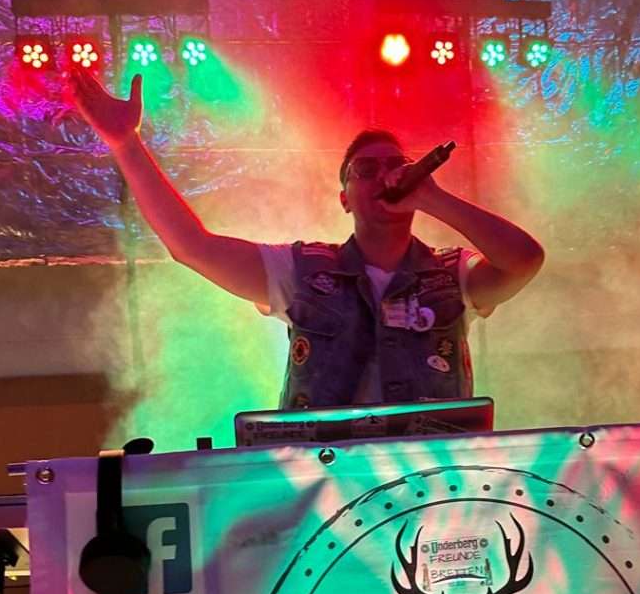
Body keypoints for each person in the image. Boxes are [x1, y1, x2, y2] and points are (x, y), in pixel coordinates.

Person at [70, 70, 544, 408]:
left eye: (395, 166)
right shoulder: (303, 271)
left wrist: (434, 198)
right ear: (344, 199)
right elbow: (192, 246)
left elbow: (525, 261)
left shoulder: (450, 272)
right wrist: (126, 144)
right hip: (325, 484)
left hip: (432, 483)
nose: (384, 176)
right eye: (366, 170)